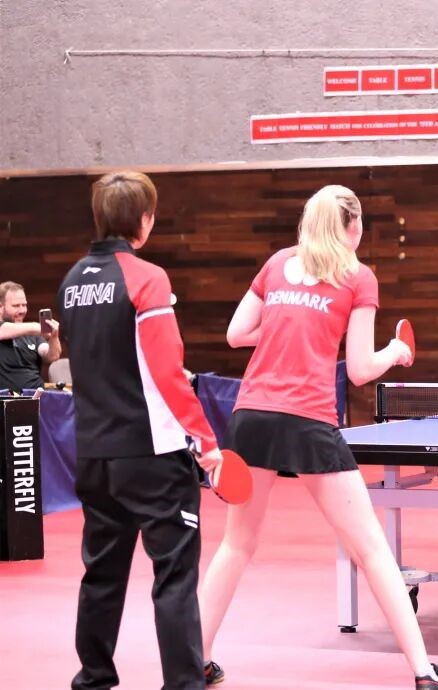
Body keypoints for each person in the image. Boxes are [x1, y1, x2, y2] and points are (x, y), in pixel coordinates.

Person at [198, 185, 438, 690]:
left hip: (251, 417)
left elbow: (236, 334)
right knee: (372, 551)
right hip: (308, 420)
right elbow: (360, 370)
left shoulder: (278, 263)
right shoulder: (358, 276)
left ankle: (195, 659)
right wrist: (394, 353)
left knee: (236, 545)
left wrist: (288, 327)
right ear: (354, 226)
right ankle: (425, 673)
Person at [57, 171, 224, 690]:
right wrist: (207, 441)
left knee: (101, 574)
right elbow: (167, 371)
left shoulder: (71, 282)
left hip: (93, 454)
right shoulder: (148, 278)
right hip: (151, 455)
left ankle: (93, 679)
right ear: (145, 220)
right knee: (174, 574)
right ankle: (184, 683)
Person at [0, 280, 62, 391]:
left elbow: (51, 356)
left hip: (37, 396)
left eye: (24, 305)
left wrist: (54, 335)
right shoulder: (31, 329)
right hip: (7, 398)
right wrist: (37, 327)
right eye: (16, 306)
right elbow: (3, 331)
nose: (22, 310)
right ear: (1, 307)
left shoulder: (32, 334)